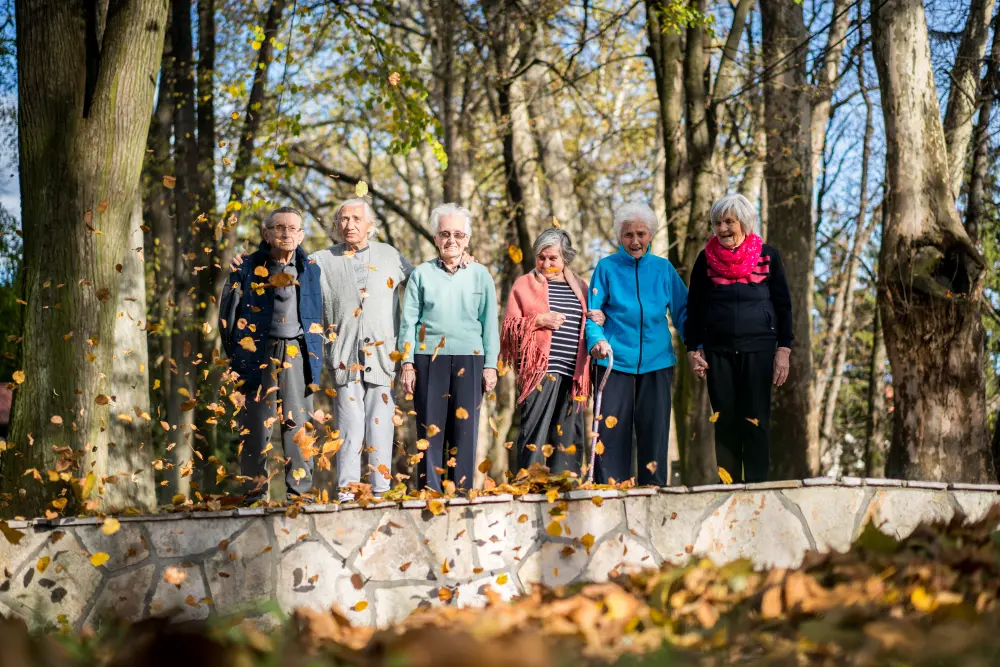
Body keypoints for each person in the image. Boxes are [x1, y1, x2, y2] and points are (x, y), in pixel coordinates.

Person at [310, 198, 413, 502]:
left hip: (383, 357)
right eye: (343, 219)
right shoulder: (322, 259)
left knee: (380, 425)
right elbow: (286, 267)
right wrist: (249, 263)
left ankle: (380, 491)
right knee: (349, 427)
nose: (349, 225)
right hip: (344, 358)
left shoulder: (391, 255)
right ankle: (347, 491)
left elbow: (423, 281)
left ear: (370, 225)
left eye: (356, 219)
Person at [684, 193, 792, 484]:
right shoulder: (705, 259)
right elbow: (694, 307)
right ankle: (728, 487)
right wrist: (693, 348)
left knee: (755, 420)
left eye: (729, 222)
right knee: (725, 420)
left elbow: (783, 305)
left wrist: (784, 349)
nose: (722, 229)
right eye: (717, 223)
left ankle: (757, 487)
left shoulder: (768, 256)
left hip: (759, 349)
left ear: (744, 222)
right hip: (717, 351)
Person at [219, 206, 323, 500]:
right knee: (253, 428)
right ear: (266, 233)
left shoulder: (311, 269)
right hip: (257, 354)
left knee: (298, 427)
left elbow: (318, 315)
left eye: (293, 228)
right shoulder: (246, 267)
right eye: (279, 227)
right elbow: (227, 317)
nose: (286, 233)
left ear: (301, 235)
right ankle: (254, 496)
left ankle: (300, 495)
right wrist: (237, 356)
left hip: (298, 353)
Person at [398, 203, 500, 493]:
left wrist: (491, 364)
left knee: (465, 433)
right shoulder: (421, 274)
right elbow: (408, 322)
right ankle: (429, 491)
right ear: (435, 239)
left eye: (458, 234)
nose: (451, 240)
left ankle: (462, 492)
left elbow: (489, 323)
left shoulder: (481, 274)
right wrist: (407, 363)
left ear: (467, 239)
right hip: (428, 359)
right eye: (444, 233)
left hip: (471, 358)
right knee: (430, 430)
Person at [585, 202, 687, 486]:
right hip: (613, 363)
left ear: (650, 235)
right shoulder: (606, 268)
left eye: (641, 234)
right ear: (620, 236)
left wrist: (696, 346)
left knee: (654, 437)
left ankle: (654, 495)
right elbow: (592, 315)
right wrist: (597, 341)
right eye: (629, 235)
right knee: (611, 437)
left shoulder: (663, 269)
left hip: (657, 362)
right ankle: (608, 495)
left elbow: (684, 312)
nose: (635, 241)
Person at [500, 228, 602, 475]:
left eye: (552, 258)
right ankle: (529, 487)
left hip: (573, 373)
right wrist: (539, 320)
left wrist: (599, 317)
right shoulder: (524, 284)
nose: (546, 263)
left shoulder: (581, 287)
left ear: (565, 258)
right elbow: (508, 328)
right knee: (534, 431)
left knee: (568, 436)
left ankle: (567, 490)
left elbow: (590, 322)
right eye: (541, 257)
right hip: (540, 372)